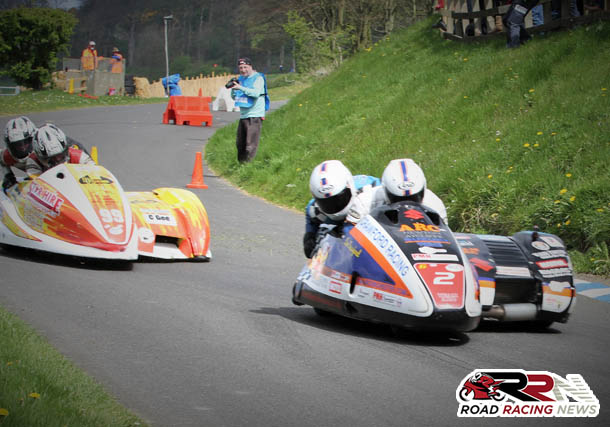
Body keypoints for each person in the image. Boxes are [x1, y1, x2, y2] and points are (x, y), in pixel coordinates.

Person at [303, 160, 380, 258]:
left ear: (349, 186)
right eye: (326, 203)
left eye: (338, 199)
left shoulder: (372, 189)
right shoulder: (316, 210)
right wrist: (310, 235)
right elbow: (310, 213)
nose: (333, 206)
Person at [346, 158, 448, 226]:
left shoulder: (434, 204)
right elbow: (348, 237)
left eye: (413, 198)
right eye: (399, 199)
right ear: (386, 191)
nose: (407, 205)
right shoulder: (364, 203)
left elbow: (446, 236)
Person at [230, 57, 269, 163]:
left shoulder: (258, 78)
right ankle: (240, 165)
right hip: (244, 115)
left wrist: (240, 88)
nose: (243, 70)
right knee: (240, 143)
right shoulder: (241, 79)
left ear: (250, 66)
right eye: (241, 68)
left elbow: (256, 93)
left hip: (255, 115)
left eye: (245, 67)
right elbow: (235, 97)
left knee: (250, 144)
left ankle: (248, 166)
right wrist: (233, 90)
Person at [26, 124, 94, 176]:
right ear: (39, 156)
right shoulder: (33, 161)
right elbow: (36, 184)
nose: (58, 160)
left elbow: (96, 173)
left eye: (60, 155)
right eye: (51, 158)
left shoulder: (78, 155)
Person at [1, 116, 37, 191]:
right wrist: (8, 175)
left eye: (25, 143)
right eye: (18, 145)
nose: (23, 148)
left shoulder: (45, 151)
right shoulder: (8, 156)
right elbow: (1, 161)